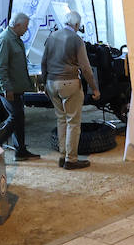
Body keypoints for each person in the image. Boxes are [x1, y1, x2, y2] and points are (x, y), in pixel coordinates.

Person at [41, 10, 100, 169]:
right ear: (76, 25)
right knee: (73, 122)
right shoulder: (76, 39)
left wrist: (44, 83)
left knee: (61, 119)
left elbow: (43, 63)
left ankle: (62, 156)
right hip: (70, 83)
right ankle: (71, 159)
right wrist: (94, 88)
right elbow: (86, 68)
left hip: (52, 83)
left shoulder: (52, 37)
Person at [0, 12, 40, 160]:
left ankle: (20, 151)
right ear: (17, 25)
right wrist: (7, 87)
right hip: (8, 88)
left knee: (19, 118)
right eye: (25, 27)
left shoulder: (15, 38)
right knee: (15, 116)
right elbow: (1, 67)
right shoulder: (5, 40)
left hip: (16, 87)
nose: (27, 30)